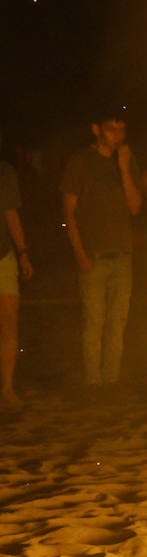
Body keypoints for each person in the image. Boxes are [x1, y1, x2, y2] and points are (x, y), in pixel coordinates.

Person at [60, 107, 142, 388]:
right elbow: (69, 212)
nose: (118, 135)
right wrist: (79, 253)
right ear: (96, 129)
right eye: (111, 129)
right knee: (93, 322)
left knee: (117, 323)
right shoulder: (80, 161)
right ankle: (93, 382)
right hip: (93, 256)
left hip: (123, 255)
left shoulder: (126, 162)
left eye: (122, 129)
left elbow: (135, 207)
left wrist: (123, 168)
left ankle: (112, 380)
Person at [1, 141, 33, 409]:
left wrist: (22, 252)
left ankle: (7, 387)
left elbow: (11, 213)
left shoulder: (4, 172)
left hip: (2, 255)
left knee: (9, 321)